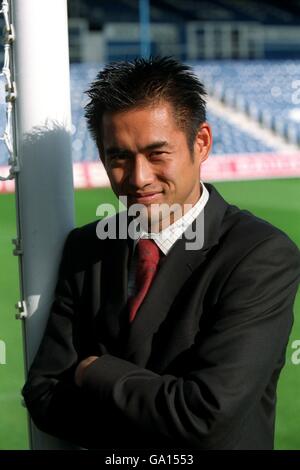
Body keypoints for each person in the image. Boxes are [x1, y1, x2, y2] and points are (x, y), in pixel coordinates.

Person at [22, 57, 300, 450]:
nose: (137, 178)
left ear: (201, 142)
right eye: (118, 157)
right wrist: (161, 414)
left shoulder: (260, 254)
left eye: (157, 154)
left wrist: (96, 371)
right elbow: (44, 394)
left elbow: (205, 415)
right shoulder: (87, 248)